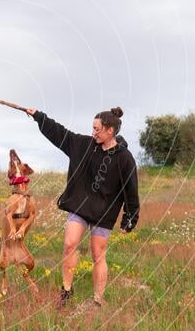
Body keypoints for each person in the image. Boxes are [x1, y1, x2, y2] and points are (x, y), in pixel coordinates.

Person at [25, 106, 140, 308]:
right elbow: (59, 133)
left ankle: (97, 300)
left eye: (97, 129)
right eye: (93, 128)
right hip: (80, 205)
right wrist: (38, 116)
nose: (93, 132)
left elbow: (131, 190)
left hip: (104, 212)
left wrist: (130, 218)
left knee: (98, 255)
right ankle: (67, 291)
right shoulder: (83, 145)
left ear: (109, 131)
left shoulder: (125, 159)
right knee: (69, 244)